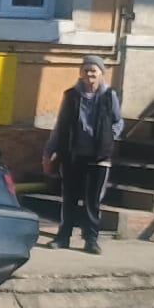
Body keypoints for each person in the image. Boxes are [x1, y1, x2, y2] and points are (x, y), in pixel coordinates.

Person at [42, 55, 124, 255]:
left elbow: (118, 121)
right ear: (80, 73)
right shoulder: (71, 96)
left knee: (92, 201)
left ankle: (91, 240)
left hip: (99, 157)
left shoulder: (109, 95)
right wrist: (49, 152)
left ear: (101, 73)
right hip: (73, 155)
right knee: (69, 198)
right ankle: (63, 237)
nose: (89, 74)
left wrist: (109, 137)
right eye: (86, 70)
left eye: (93, 70)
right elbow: (60, 126)